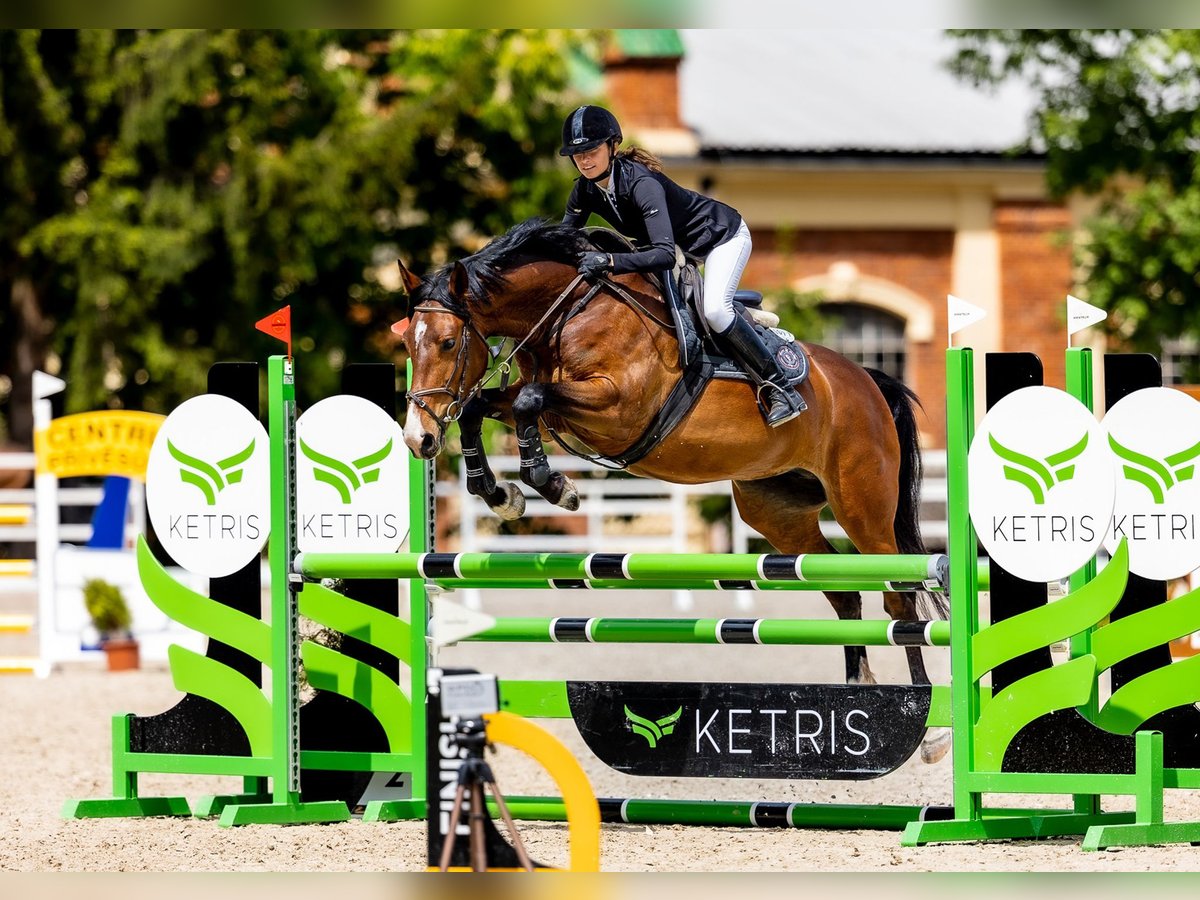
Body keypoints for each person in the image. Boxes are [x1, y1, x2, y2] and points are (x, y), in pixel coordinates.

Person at [559, 105, 804, 428]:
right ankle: (741, 312)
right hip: (680, 249)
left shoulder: (641, 184)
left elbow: (661, 254)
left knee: (716, 311)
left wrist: (609, 261)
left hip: (721, 238)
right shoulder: (585, 190)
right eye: (577, 154)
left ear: (612, 146)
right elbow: (562, 240)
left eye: (591, 150)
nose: (585, 160)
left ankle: (779, 388)